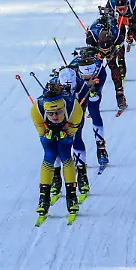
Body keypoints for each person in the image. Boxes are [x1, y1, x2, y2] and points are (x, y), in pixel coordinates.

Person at [31, 78, 83, 216]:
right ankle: (44, 197)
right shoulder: (37, 110)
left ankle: (71, 196)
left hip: (68, 125)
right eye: (51, 113)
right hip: (46, 127)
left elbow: (72, 131)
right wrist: (46, 134)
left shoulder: (74, 109)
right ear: (45, 111)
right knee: (49, 154)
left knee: (65, 153)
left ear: (64, 107)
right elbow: (41, 131)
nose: (54, 116)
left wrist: (65, 134)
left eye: (58, 112)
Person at [51, 67, 92, 196]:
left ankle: (82, 174)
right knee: (55, 141)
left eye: (71, 88)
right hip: (56, 115)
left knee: (77, 138)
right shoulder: (51, 86)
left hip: (75, 112)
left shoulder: (81, 86)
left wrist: (73, 120)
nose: (68, 90)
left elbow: (82, 109)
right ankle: (56, 176)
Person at [69, 47, 109, 167]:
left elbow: (95, 94)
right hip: (77, 94)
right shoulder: (72, 72)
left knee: (94, 111)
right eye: (85, 78)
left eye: (91, 77)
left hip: (91, 91)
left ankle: (101, 148)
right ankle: (78, 156)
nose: (88, 80)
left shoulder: (101, 71)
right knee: (77, 126)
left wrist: (93, 90)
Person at [86, 7, 127, 112]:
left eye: (107, 49)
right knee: (95, 70)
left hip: (111, 46)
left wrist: (113, 52)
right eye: (103, 49)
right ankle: (93, 95)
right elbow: (90, 51)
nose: (105, 52)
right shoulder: (92, 37)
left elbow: (121, 44)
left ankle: (120, 95)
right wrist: (98, 54)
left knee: (113, 65)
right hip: (96, 48)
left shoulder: (117, 35)